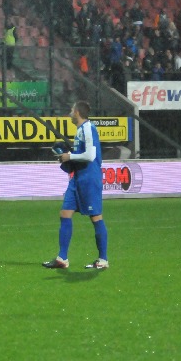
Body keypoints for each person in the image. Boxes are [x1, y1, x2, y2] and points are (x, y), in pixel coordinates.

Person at [43, 100, 110, 270]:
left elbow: (90, 155)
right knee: (65, 213)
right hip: (78, 178)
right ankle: (62, 258)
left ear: (78, 113)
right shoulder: (81, 129)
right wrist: (67, 155)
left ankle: (103, 260)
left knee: (96, 217)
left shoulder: (88, 128)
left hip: (89, 178)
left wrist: (69, 157)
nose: (70, 113)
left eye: (72, 110)